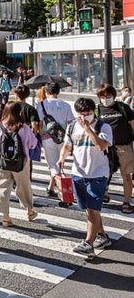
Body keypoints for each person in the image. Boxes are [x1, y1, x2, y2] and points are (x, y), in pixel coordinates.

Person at [57, 98, 113, 256]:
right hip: (78, 173)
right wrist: (62, 158)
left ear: (93, 111)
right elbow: (68, 145)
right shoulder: (72, 126)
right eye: (82, 113)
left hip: (98, 173)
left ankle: (88, 243)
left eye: (88, 113)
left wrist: (88, 128)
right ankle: (102, 236)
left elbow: (101, 145)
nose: (85, 116)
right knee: (89, 209)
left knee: (92, 209)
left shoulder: (104, 127)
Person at [0, 102, 39, 227]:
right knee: (23, 186)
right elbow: (33, 143)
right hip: (20, 162)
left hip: (3, 161)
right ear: (19, 112)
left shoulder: (0, 126)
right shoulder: (24, 127)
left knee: (1, 187)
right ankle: (29, 211)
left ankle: (6, 217)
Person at [94, 84, 134, 213]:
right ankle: (105, 192)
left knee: (126, 176)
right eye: (103, 97)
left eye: (109, 96)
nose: (106, 99)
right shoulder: (97, 110)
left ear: (114, 96)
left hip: (124, 147)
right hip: (106, 148)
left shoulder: (123, 107)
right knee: (104, 174)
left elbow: (132, 125)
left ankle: (126, 202)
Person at [37, 83, 75, 198]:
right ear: (58, 92)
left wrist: (41, 134)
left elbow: (39, 123)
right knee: (58, 164)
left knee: (53, 166)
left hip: (48, 138)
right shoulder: (66, 105)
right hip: (63, 138)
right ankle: (50, 187)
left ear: (46, 92)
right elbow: (70, 123)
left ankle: (63, 192)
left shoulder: (41, 105)